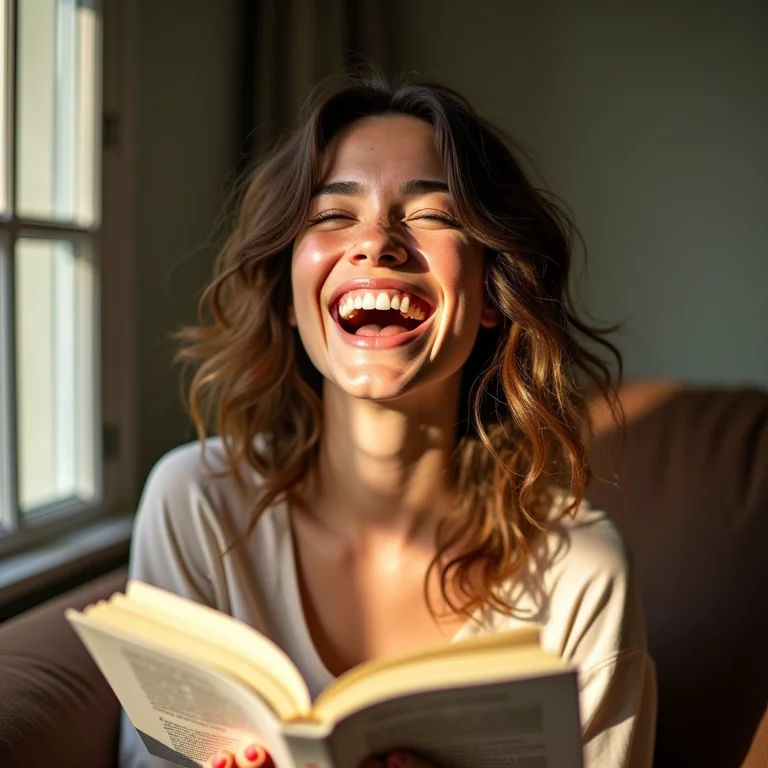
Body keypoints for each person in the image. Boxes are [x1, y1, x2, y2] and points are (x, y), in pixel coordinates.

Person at [118, 73, 656, 768]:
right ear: (288, 293)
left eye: (432, 215)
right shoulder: (195, 505)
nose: (378, 243)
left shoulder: (584, 573)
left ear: (491, 293)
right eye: (332, 216)